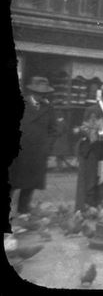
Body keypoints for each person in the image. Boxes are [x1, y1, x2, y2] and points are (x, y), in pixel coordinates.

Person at [10, 76, 57, 214]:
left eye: (44, 93)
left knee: (30, 184)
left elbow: (54, 130)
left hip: (37, 152)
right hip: (19, 152)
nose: (42, 96)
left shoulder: (48, 108)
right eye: (39, 93)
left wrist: (47, 147)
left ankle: (23, 211)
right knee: (12, 182)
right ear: (32, 92)